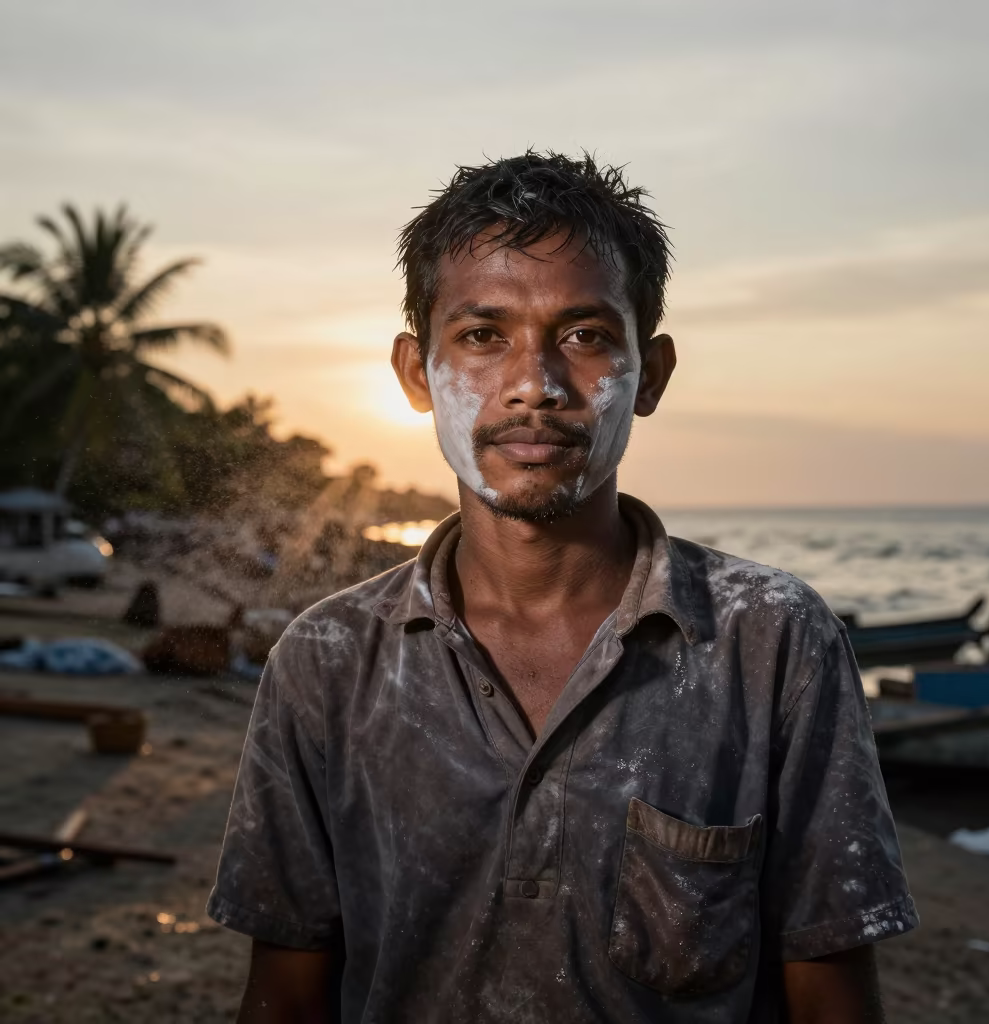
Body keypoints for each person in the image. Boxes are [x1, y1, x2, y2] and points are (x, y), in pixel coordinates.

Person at [209, 151, 918, 1023]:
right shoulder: (326, 659)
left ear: (649, 375)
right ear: (415, 373)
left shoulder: (772, 641)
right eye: (482, 335)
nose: (534, 386)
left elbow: (832, 992)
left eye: (584, 336)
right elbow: (285, 992)